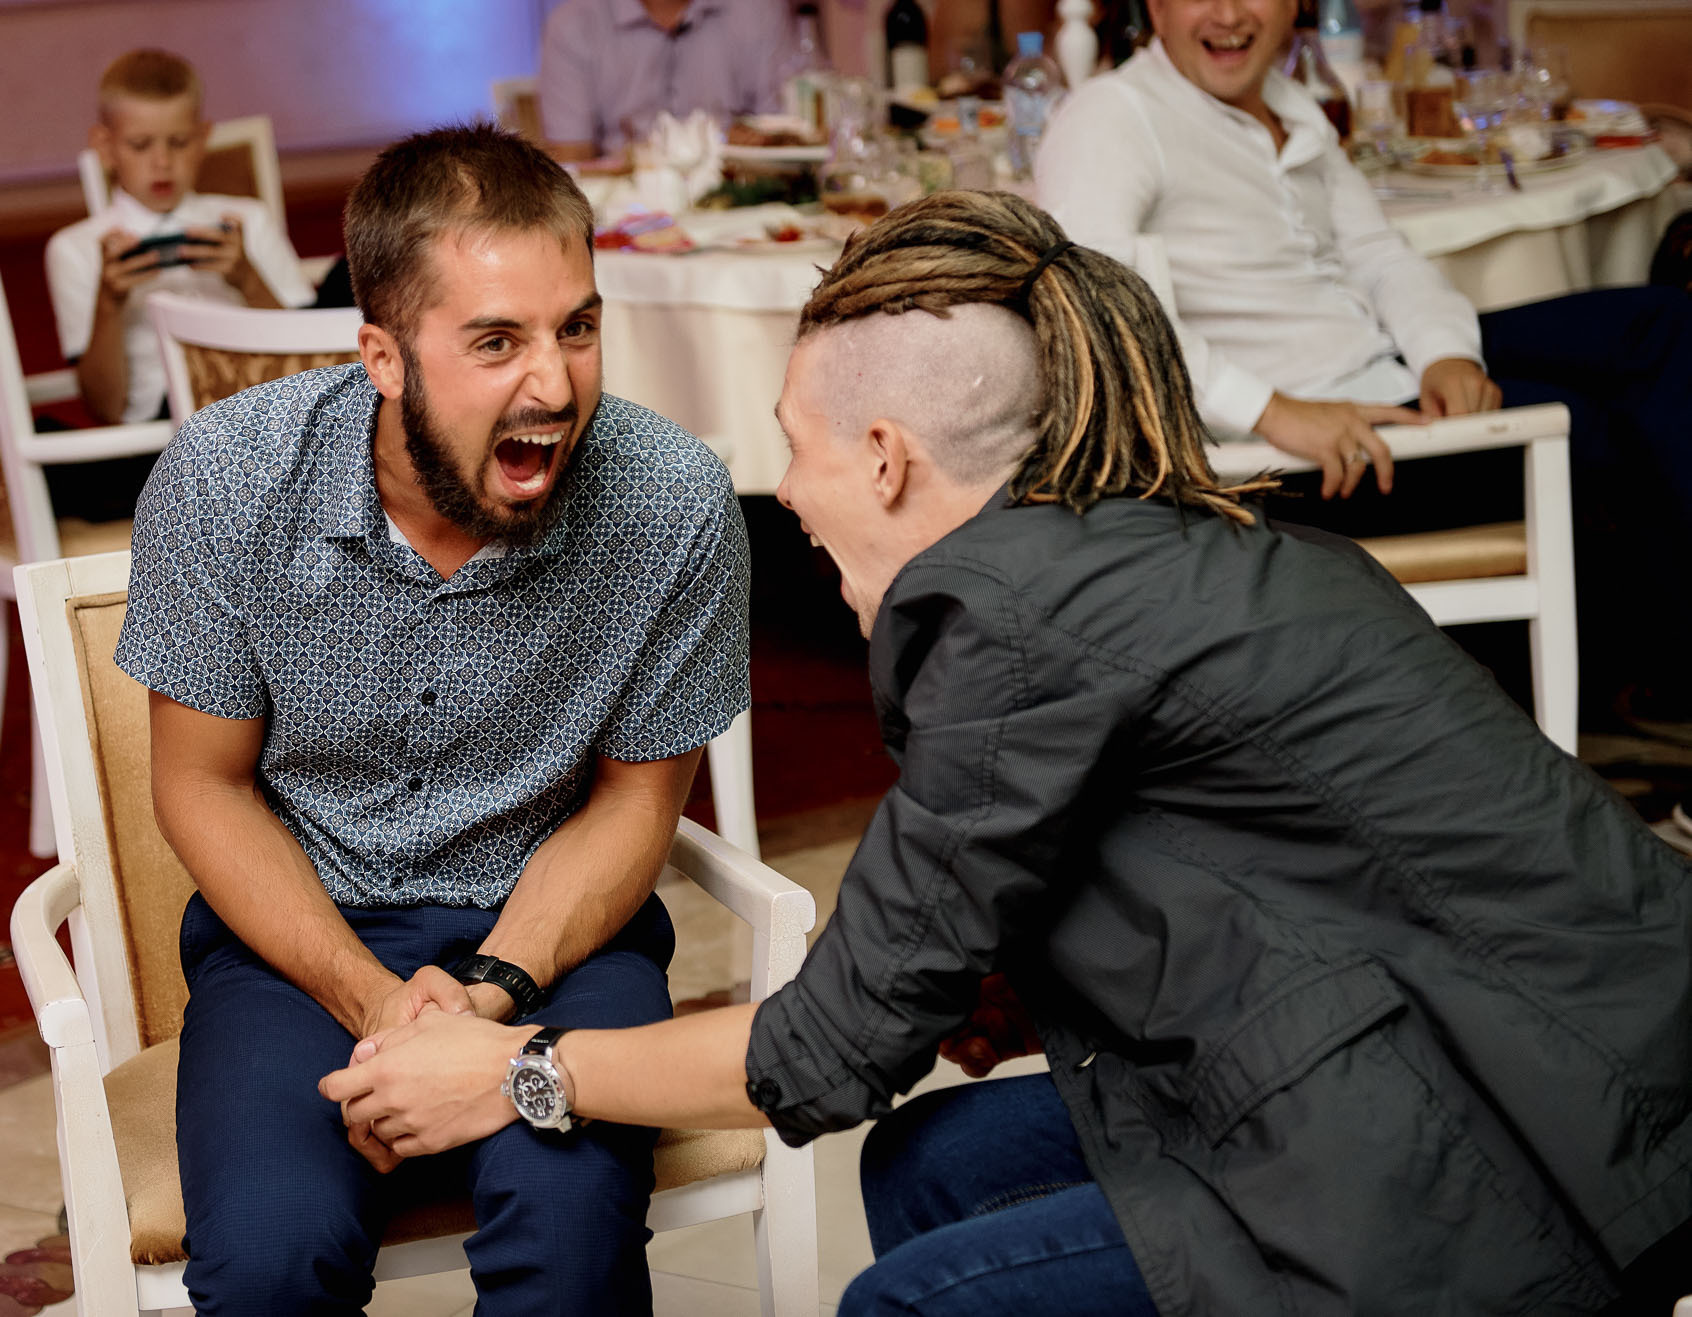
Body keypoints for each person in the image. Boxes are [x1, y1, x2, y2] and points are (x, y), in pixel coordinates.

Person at [320, 191, 1692, 1316]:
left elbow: (826, 1054)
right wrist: (1032, 986)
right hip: (1496, 1057)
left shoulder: (1015, 623)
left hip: (1536, 1148)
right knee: (937, 1155)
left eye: (796, 452)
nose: (786, 492)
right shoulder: (1143, 553)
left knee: (906, 1303)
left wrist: (516, 1070)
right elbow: (1272, 876)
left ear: (889, 459)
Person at [115, 122, 749, 1314]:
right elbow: (198, 784)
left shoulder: (672, 502)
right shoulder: (228, 476)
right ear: (385, 356)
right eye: (496, 341)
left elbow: (637, 802)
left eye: (578, 327)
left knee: (572, 1250)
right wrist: (374, 1004)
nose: (554, 386)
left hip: (563, 939)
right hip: (298, 948)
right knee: (268, 1258)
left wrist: (494, 997)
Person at [1034, 0, 1692, 767]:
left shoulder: (1285, 105)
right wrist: (1273, 411)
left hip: (1382, 366)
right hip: (1317, 447)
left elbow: (1380, 256)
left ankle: (1665, 671)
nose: (1226, 15)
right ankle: (1667, 677)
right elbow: (1096, 311)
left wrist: (1449, 354)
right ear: (1153, 5)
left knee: (1659, 327)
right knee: (1601, 427)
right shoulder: (1111, 116)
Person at [45, 49, 314, 431]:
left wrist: (248, 280)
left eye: (179, 142)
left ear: (204, 138)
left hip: (261, 419)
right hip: (157, 439)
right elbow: (103, 408)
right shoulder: (75, 249)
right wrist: (109, 305)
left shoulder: (247, 219)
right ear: (105, 148)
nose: (162, 162)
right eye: (140, 145)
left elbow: (310, 362)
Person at [538, 0, 791, 160]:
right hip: (621, 213)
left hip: (742, 197)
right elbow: (571, 158)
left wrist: (750, 141)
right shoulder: (574, 22)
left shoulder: (760, 9)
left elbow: (785, 130)